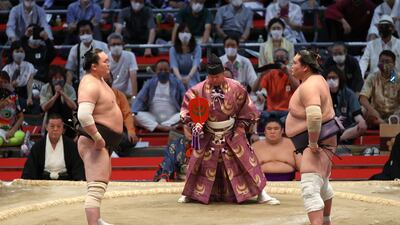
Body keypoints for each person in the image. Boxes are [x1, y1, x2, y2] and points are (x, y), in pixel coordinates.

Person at [178, 54, 280, 205]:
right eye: (211, 77)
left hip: (232, 132)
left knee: (245, 161)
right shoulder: (196, 90)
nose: (214, 80)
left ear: (222, 73)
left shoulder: (236, 88)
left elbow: (248, 112)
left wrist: (238, 129)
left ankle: (261, 193)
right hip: (207, 132)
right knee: (197, 163)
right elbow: (187, 113)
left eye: (217, 76)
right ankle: (190, 193)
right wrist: (196, 125)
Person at [286, 49, 340, 225]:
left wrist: (313, 142)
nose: (291, 66)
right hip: (323, 137)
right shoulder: (317, 80)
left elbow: (315, 116)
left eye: (295, 63)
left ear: (306, 67)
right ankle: (325, 221)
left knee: (310, 185)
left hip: (318, 140)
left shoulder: (310, 86)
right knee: (321, 181)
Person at [77, 49, 123, 225]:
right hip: (94, 141)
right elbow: (83, 116)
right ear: (94, 66)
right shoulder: (90, 84)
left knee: (100, 184)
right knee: (96, 188)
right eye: (105, 61)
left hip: (102, 140)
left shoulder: (100, 80)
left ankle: (96, 220)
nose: (108, 64)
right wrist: (97, 137)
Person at [21, 113, 85, 180]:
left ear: (63, 128)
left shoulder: (71, 145)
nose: (55, 129)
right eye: (52, 126)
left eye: (58, 126)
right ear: (46, 127)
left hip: (65, 182)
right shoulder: (38, 146)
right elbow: (30, 169)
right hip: (43, 182)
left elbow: (78, 168)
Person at [132, 60, 186, 132]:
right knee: (137, 115)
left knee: (185, 114)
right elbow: (140, 99)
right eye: (160, 70)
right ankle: (164, 127)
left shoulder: (177, 83)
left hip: (172, 117)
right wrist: (133, 111)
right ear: (155, 71)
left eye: (165, 70)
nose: (163, 72)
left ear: (170, 71)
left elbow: (185, 98)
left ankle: (159, 126)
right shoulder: (149, 83)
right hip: (153, 117)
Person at [252, 48, 299, 125]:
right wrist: (261, 75)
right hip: (270, 112)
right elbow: (254, 89)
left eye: (282, 57)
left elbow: (297, 89)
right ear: (273, 61)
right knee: (257, 114)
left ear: (287, 60)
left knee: (291, 116)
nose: (279, 60)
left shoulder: (292, 74)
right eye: (277, 58)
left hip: (287, 112)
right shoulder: (269, 74)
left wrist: (287, 73)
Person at [325, 66, 367, 143]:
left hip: (346, 129)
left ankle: (339, 139)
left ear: (340, 79)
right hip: (328, 129)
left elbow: (357, 115)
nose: (331, 80)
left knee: (362, 126)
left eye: (334, 78)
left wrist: (361, 121)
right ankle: (336, 140)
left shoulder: (349, 94)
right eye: (329, 78)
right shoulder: (322, 93)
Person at [359, 50, 400, 129]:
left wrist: (396, 115)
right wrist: (372, 110)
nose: (384, 64)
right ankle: (385, 124)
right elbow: (362, 98)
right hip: (376, 113)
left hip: (395, 114)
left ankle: (384, 124)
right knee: (363, 110)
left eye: (387, 61)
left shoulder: (398, 78)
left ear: (394, 64)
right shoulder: (372, 77)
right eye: (381, 61)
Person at [252, 116, 301, 181]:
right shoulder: (255, 146)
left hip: (289, 182)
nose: (272, 131)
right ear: (264, 131)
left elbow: (301, 166)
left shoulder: (292, 144)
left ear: (282, 131)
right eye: (269, 129)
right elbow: (248, 168)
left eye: (276, 128)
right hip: (261, 182)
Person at [65, 20, 109, 87]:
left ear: (92, 32)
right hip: (82, 84)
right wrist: (68, 86)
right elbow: (70, 70)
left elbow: (109, 65)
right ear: (78, 34)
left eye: (88, 32)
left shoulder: (103, 46)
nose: (85, 34)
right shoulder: (75, 49)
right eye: (82, 33)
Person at [104, 72, 139, 156]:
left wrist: (131, 131)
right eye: (105, 80)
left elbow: (127, 114)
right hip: (100, 129)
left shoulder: (119, 95)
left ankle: (114, 150)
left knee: (129, 140)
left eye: (109, 80)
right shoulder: (93, 95)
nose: (107, 82)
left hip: (117, 129)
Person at [40, 65, 77, 139]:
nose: (58, 80)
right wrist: (56, 95)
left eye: (60, 78)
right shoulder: (45, 88)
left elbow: (74, 107)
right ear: (51, 79)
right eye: (55, 78)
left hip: (67, 120)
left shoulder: (70, 89)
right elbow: (44, 108)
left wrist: (62, 93)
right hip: (51, 119)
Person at [2, 41, 36, 111]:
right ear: (12, 53)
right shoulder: (6, 68)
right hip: (10, 92)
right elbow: (3, 86)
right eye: (17, 51)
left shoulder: (29, 66)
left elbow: (29, 83)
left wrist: (29, 98)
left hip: (24, 93)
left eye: (22, 51)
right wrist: (11, 85)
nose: (20, 54)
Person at [170, 23, 202, 88]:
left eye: (187, 32)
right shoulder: (173, 49)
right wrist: (180, 78)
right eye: (182, 32)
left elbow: (195, 65)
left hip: (192, 76)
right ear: (178, 34)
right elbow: (174, 66)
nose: (184, 34)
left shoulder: (197, 48)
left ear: (191, 34)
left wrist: (188, 77)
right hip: (177, 76)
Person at [107, 32, 138, 97]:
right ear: (108, 46)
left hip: (127, 94)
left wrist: (134, 98)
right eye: (113, 44)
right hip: (111, 94)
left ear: (123, 45)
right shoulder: (105, 58)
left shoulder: (130, 56)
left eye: (118, 44)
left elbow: (133, 77)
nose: (116, 47)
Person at [0, 71, 25, 147]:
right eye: (1, 82)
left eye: (5, 82)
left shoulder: (14, 97)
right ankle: (5, 141)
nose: (3, 84)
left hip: (11, 130)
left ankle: (4, 142)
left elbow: (21, 116)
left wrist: (13, 130)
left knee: (20, 136)